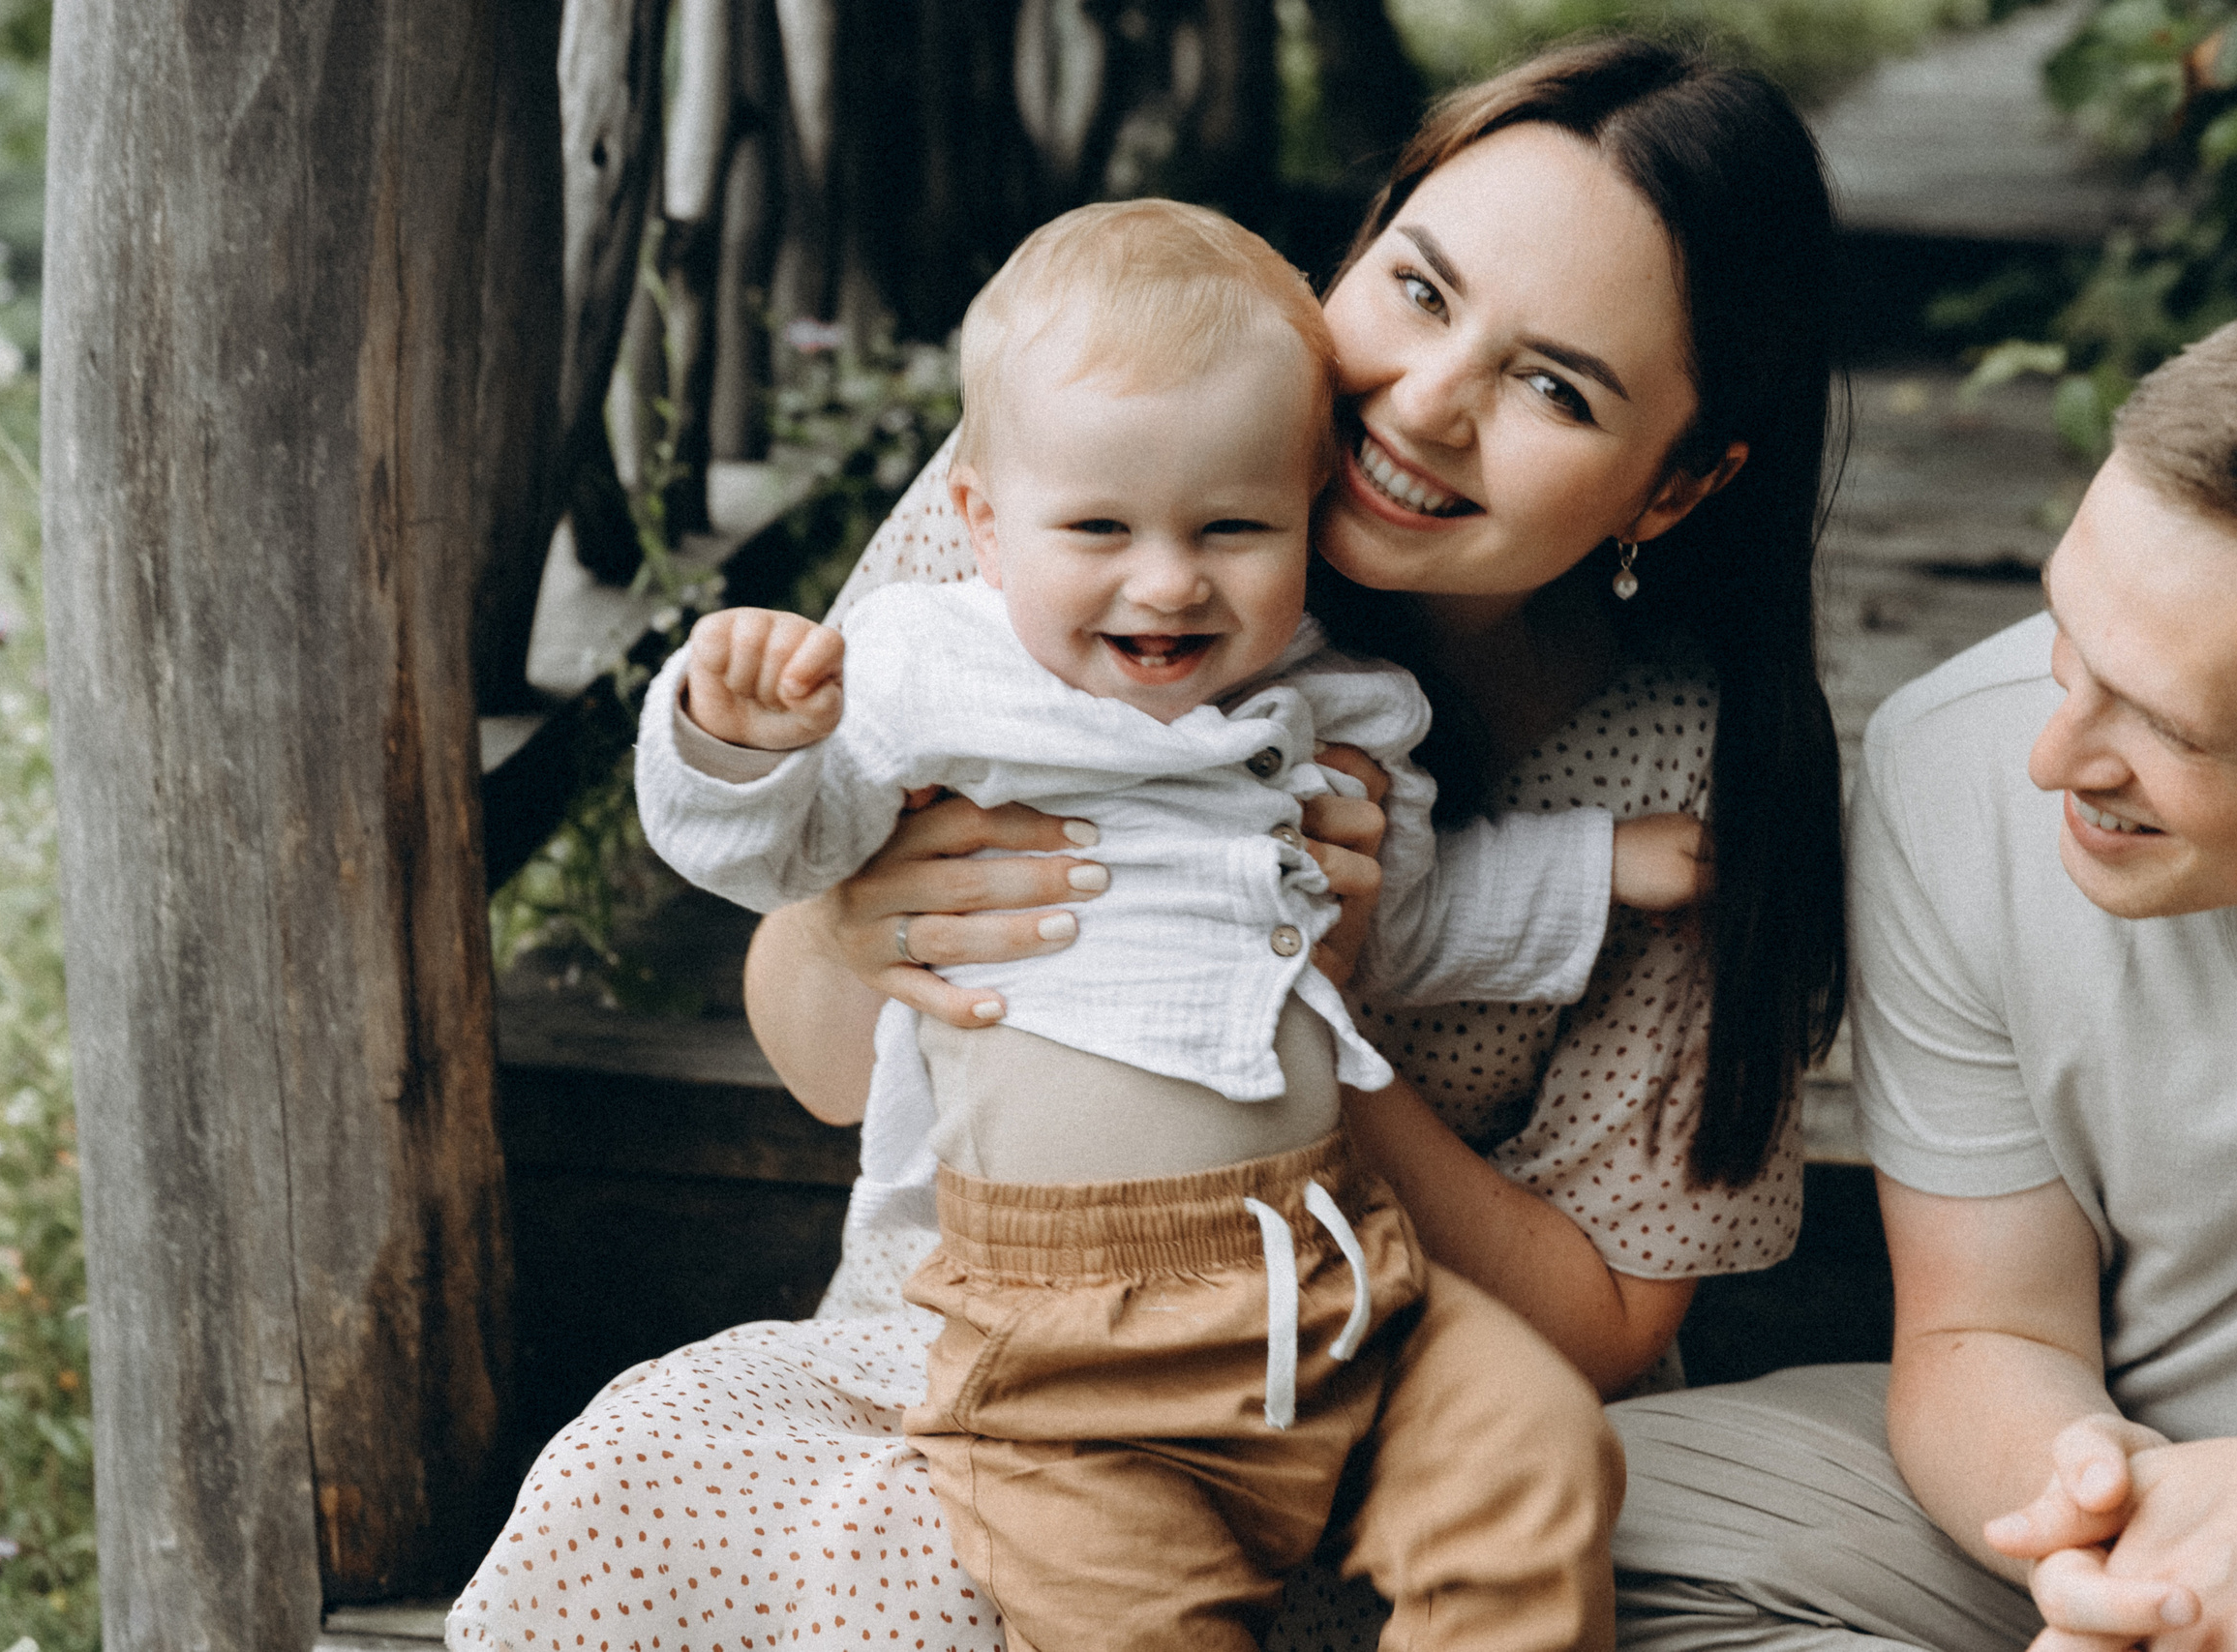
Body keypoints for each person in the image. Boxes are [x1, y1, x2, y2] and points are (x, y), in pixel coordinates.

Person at [448, 35, 1849, 1652]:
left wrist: (1298, 1015)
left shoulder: (1688, 773)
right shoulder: (1076, 473)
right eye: (1416, 288)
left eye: (1554, 386)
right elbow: (828, 1066)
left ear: (1674, 487)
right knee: (689, 1485)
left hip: (1390, 1371)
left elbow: (1606, 1318)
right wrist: (846, 920)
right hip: (1003, 1329)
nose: (1425, 401)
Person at [638, 195, 1706, 1650]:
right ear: (984, 523)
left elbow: (1416, 918)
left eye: (1233, 529)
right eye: (1100, 530)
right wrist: (737, 738)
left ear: (1305, 502)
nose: (1167, 579)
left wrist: (1596, 871)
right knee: (1132, 1615)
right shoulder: (932, 672)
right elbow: (776, 856)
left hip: (1327, 1274)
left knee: (1535, 1467)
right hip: (1060, 1335)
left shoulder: (1326, 713)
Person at [1609, 268, 2237, 1651]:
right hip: (2119, 1491)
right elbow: (1992, 1337)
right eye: (2066, 642)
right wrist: (2128, 1559)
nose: (2053, 760)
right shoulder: (1957, 760)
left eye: (2169, 728)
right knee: (1569, 1517)